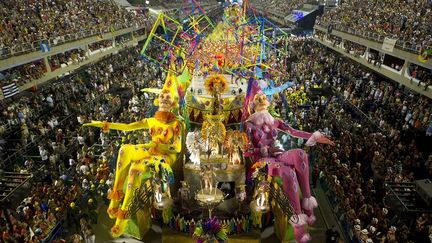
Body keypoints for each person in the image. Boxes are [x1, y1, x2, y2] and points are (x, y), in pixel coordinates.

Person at [84, 86, 182, 237]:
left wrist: (156, 145)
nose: (163, 99)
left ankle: (122, 218)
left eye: (167, 97)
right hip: (151, 150)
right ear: (157, 100)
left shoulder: (176, 124)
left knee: (135, 169)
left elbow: (177, 148)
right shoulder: (150, 120)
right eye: (162, 96)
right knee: (124, 149)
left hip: (166, 156)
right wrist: (105, 124)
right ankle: (116, 198)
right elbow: (128, 127)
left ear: (173, 102)